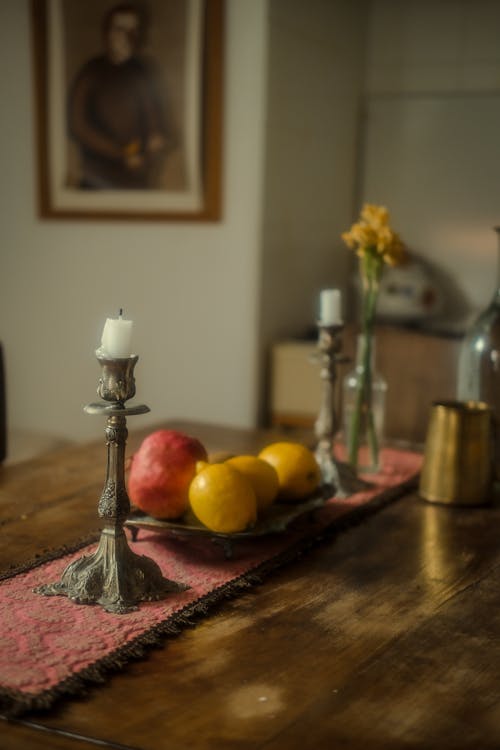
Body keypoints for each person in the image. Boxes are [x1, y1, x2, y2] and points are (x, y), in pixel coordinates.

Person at [68, 3, 175, 189]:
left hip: (140, 178)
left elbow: (155, 120)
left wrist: (156, 137)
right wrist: (121, 153)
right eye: (120, 30)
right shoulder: (90, 71)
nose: (127, 37)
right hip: (98, 178)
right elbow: (78, 127)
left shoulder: (144, 71)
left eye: (134, 31)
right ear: (107, 33)